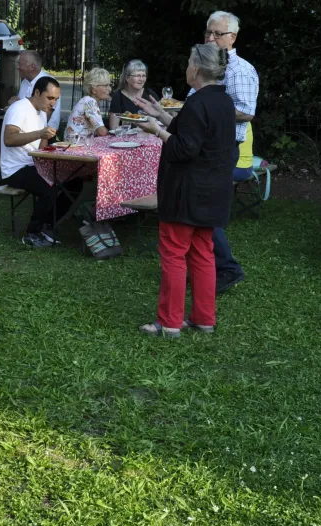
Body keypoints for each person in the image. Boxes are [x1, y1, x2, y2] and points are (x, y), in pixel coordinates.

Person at [134, 43, 237, 338]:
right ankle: (204, 319)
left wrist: (156, 131)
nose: (186, 67)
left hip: (186, 192)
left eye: (189, 62)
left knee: (174, 254)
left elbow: (184, 147)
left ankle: (169, 322)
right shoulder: (222, 101)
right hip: (213, 190)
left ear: (198, 69)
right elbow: (193, 131)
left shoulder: (197, 102)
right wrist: (160, 114)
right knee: (203, 253)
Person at [199, 10, 260, 293]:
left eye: (217, 33)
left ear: (232, 37)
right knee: (198, 205)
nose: (210, 38)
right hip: (204, 145)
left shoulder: (239, 70)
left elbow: (246, 114)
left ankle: (227, 268)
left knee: (207, 207)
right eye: (208, 32)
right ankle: (203, 265)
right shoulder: (211, 66)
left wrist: (208, 113)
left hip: (223, 148)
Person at [1, 76, 78, 248]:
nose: (53, 103)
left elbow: (40, 148)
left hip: (32, 163)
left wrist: (51, 146)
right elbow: (9, 138)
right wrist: (39, 134)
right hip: (15, 168)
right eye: (50, 98)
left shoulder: (42, 112)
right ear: (37, 92)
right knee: (49, 188)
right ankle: (32, 233)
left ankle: (47, 226)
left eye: (56, 99)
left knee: (74, 181)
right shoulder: (19, 108)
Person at [8, 50, 61, 130]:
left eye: (20, 63)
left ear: (32, 67)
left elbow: (48, 112)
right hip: (26, 130)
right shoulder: (25, 81)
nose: (18, 67)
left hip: (43, 132)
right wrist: (15, 103)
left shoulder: (49, 83)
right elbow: (23, 106)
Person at [108, 59, 160, 130]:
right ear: (127, 78)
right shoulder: (118, 97)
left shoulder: (150, 94)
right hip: (127, 139)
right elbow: (114, 127)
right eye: (137, 76)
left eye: (143, 76)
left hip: (150, 136)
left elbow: (161, 119)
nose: (141, 79)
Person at [64, 68, 111, 143]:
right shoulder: (90, 102)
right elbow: (102, 132)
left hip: (74, 145)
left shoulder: (86, 100)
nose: (110, 89)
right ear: (93, 89)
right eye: (106, 86)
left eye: (109, 85)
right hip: (77, 147)